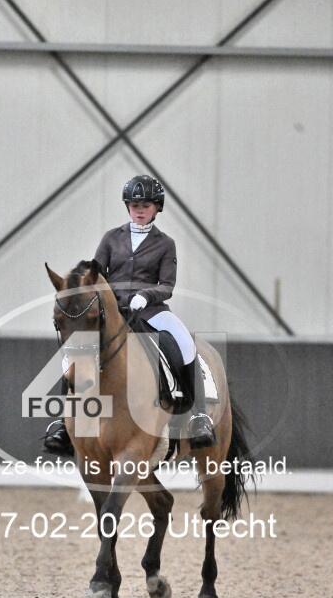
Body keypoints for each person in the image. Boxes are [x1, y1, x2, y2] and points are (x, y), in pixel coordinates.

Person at [43, 174, 216, 454]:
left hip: (151, 311)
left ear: (157, 208)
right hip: (114, 312)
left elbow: (167, 285)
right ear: (128, 207)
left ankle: (198, 416)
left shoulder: (165, 244)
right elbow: (95, 274)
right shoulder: (112, 238)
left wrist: (145, 296)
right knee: (75, 352)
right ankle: (63, 424)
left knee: (185, 343)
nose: (139, 210)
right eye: (135, 205)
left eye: (146, 205)